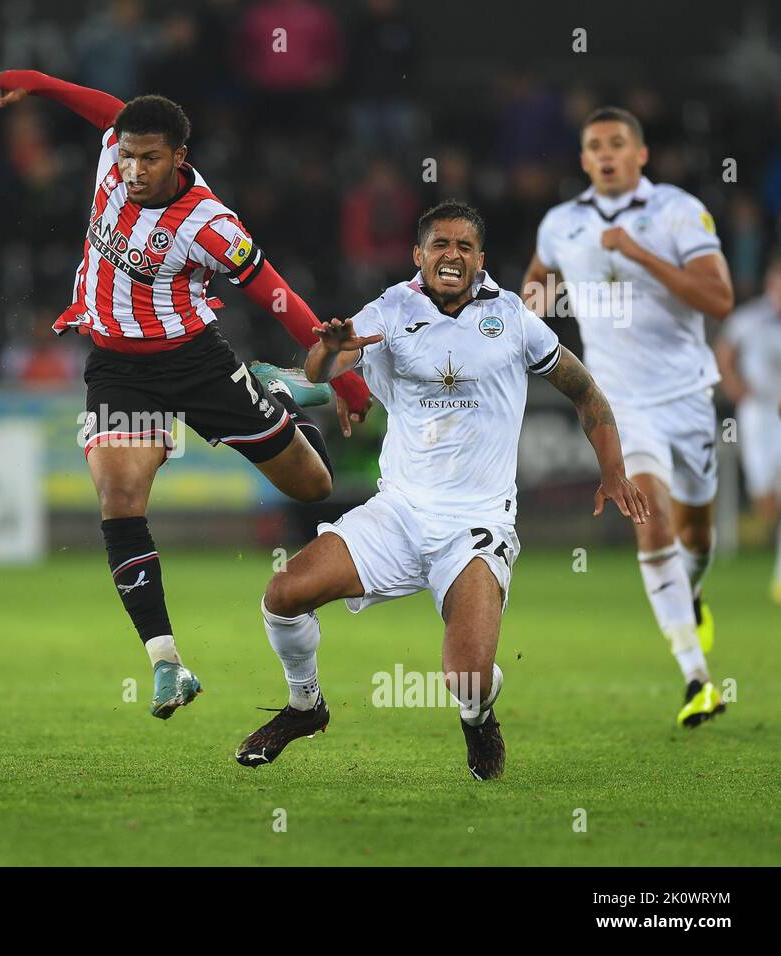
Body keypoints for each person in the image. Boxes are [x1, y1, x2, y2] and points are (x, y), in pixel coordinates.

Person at [0, 69, 373, 720]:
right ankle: (166, 663)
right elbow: (112, 111)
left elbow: (277, 294)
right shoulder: (114, 150)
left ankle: (284, 392)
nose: (133, 169)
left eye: (149, 158)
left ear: (180, 157)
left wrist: (346, 377)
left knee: (313, 486)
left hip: (195, 362)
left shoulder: (208, 223)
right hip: (117, 366)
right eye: (128, 155)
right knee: (118, 496)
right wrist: (37, 84)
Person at [235, 201, 648, 780]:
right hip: (399, 513)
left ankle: (478, 717)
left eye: (463, 247)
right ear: (419, 255)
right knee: (283, 595)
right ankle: (305, 705)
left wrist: (613, 471)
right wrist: (331, 346)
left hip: (477, 524)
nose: (450, 255)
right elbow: (322, 369)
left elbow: (585, 391)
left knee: (467, 678)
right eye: (439, 245)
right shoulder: (391, 309)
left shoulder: (513, 319)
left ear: (479, 259)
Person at [522, 107, 735, 727]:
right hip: (618, 401)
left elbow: (718, 296)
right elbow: (534, 294)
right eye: (594, 146)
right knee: (651, 519)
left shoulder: (676, 210)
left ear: (640, 155)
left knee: (696, 535)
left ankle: (690, 594)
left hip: (688, 396)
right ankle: (697, 676)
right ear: (584, 160)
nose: (607, 154)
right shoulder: (562, 223)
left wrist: (640, 254)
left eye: (618, 143)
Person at [715, 253, 781, 603]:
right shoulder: (751, 319)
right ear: (770, 285)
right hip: (759, 415)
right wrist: (734, 385)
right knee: (765, 501)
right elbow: (724, 350)